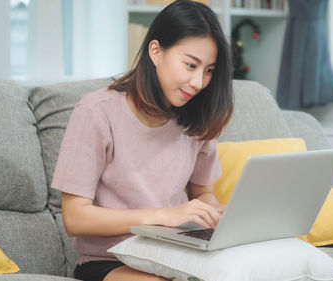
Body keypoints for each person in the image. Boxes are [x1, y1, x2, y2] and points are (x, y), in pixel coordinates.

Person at [51, 1, 234, 280]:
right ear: (156, 51)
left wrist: (214, 213)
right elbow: (75, 218)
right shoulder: (97, 113)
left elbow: (203, 194)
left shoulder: (198, 117)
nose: (198, 82)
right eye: (190, 65)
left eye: (209, 70)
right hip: (110, 260)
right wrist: (161, 215)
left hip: (178, 254)